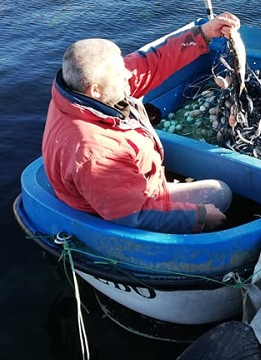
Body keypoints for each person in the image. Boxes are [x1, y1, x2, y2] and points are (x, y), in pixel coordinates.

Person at [42, 13, 241, 233]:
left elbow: (150, 64)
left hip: (130, 189)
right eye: (120, 73)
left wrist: (203, 34)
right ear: (95, 90)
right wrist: (200, 217)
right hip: (122, 210)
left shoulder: (80, 96)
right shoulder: (95, 153)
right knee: (221, 193)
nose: (128, 74)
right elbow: (135, 215)